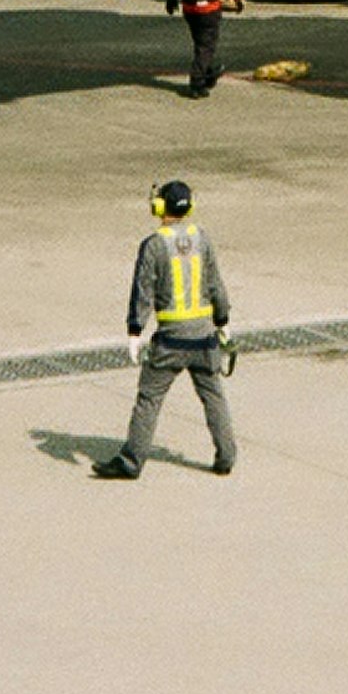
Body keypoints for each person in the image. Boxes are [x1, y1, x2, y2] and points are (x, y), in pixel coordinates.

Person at [96, 179, 234, 479]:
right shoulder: (203, 239)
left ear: (159, 207)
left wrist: (135, 332)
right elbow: (216, 287)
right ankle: (227, 456)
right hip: (204, 339)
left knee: (149, 398)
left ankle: (131, 461)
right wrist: (222, 323)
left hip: (171, 341)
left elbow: (142, 292)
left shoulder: (154, 245)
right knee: (214, 397)